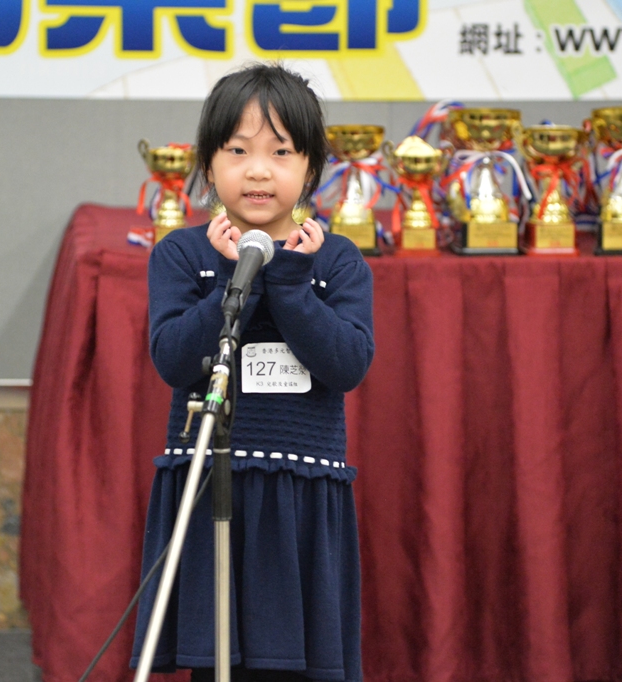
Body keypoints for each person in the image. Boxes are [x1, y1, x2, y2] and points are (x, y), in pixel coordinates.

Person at [131, 63, 375, 682]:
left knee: (290, 666)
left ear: (311, 168)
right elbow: (173, 359)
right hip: (212, 482)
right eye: (237, 151)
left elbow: (347, 364)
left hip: (298, 495)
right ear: (209, 165)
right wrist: (233, 279)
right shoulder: (183, 254)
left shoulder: (336, 262)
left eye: (280, 152)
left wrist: (289, 284)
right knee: (216, 661)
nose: (258, 170)